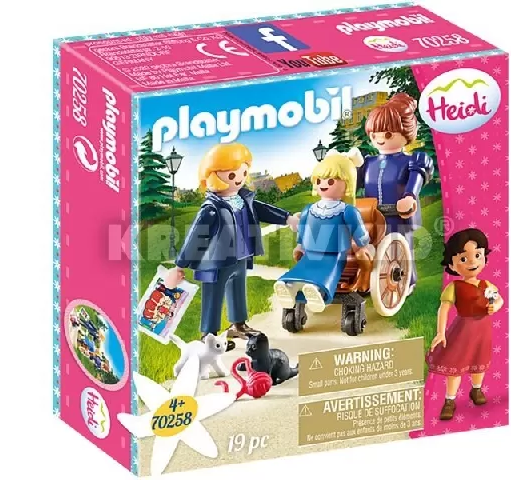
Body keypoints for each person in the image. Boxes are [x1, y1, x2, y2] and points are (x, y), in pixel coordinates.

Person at [165, 143, 299, 344]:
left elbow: (264, 210)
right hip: (216, 262)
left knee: (238, 290)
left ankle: (238, 324)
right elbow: (195, 237)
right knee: (213, 296)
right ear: (213, 177)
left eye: (243, 172)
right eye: (231, 175)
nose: (239, 178)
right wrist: (180, 265)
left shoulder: (243, 200)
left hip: (240, 256)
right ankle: (209, 335)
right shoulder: (211, 209)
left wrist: (287, 218)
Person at [274, 148, 373, 313]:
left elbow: (358, 230)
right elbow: (303, 229)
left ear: (347, 183)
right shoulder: (309, 209)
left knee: (328, 271)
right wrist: (300, 245)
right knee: (302, 268)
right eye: (319, 180)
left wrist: (363, 244)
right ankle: (288, 286)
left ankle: (318, 291)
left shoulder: (347, 211)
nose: (323, 184)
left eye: (331, 181)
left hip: (335, 253)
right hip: (311, 251)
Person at [358, 93, 434, 294]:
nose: (380, 139)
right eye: (374, 135)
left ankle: (408, 281)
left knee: (401, 248)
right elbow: (353, 182)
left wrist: (409, 196)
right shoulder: (369, 163)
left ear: (405, 132)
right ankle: (371, 280)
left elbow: (417, 176)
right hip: (372, 216)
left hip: (399, 213)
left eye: (387, 134)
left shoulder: (410, 161)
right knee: (371, 247)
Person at [426, 228, 504, 421]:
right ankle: (450, 400)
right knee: (456, 364)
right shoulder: (454, 287)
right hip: (463, 331)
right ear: (451, 264)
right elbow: (444, 309)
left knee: (480, 361)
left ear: (484, 256)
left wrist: (495, 306)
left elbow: (499, 300)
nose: (472, 262)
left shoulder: (487, 285)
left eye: (477, 255)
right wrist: (441, 332)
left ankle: (476, 389)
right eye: (463, 258)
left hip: (483, 330)